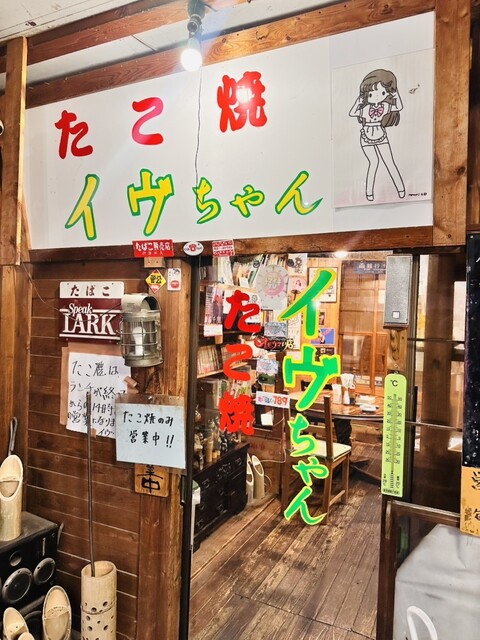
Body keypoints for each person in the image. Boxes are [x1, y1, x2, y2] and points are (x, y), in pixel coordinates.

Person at [349, 68, 405, 202]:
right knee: (373, 163)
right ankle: (369, 192)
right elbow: (352, 113)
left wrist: (396, 94)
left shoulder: (385, 106)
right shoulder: (365, 108)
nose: (376, 96)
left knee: (389, 162)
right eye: (371, 93)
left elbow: (398, 107)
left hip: (380, 134)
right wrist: (359, 100)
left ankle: (401, 189)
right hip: (366, 136)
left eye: (382, 92)